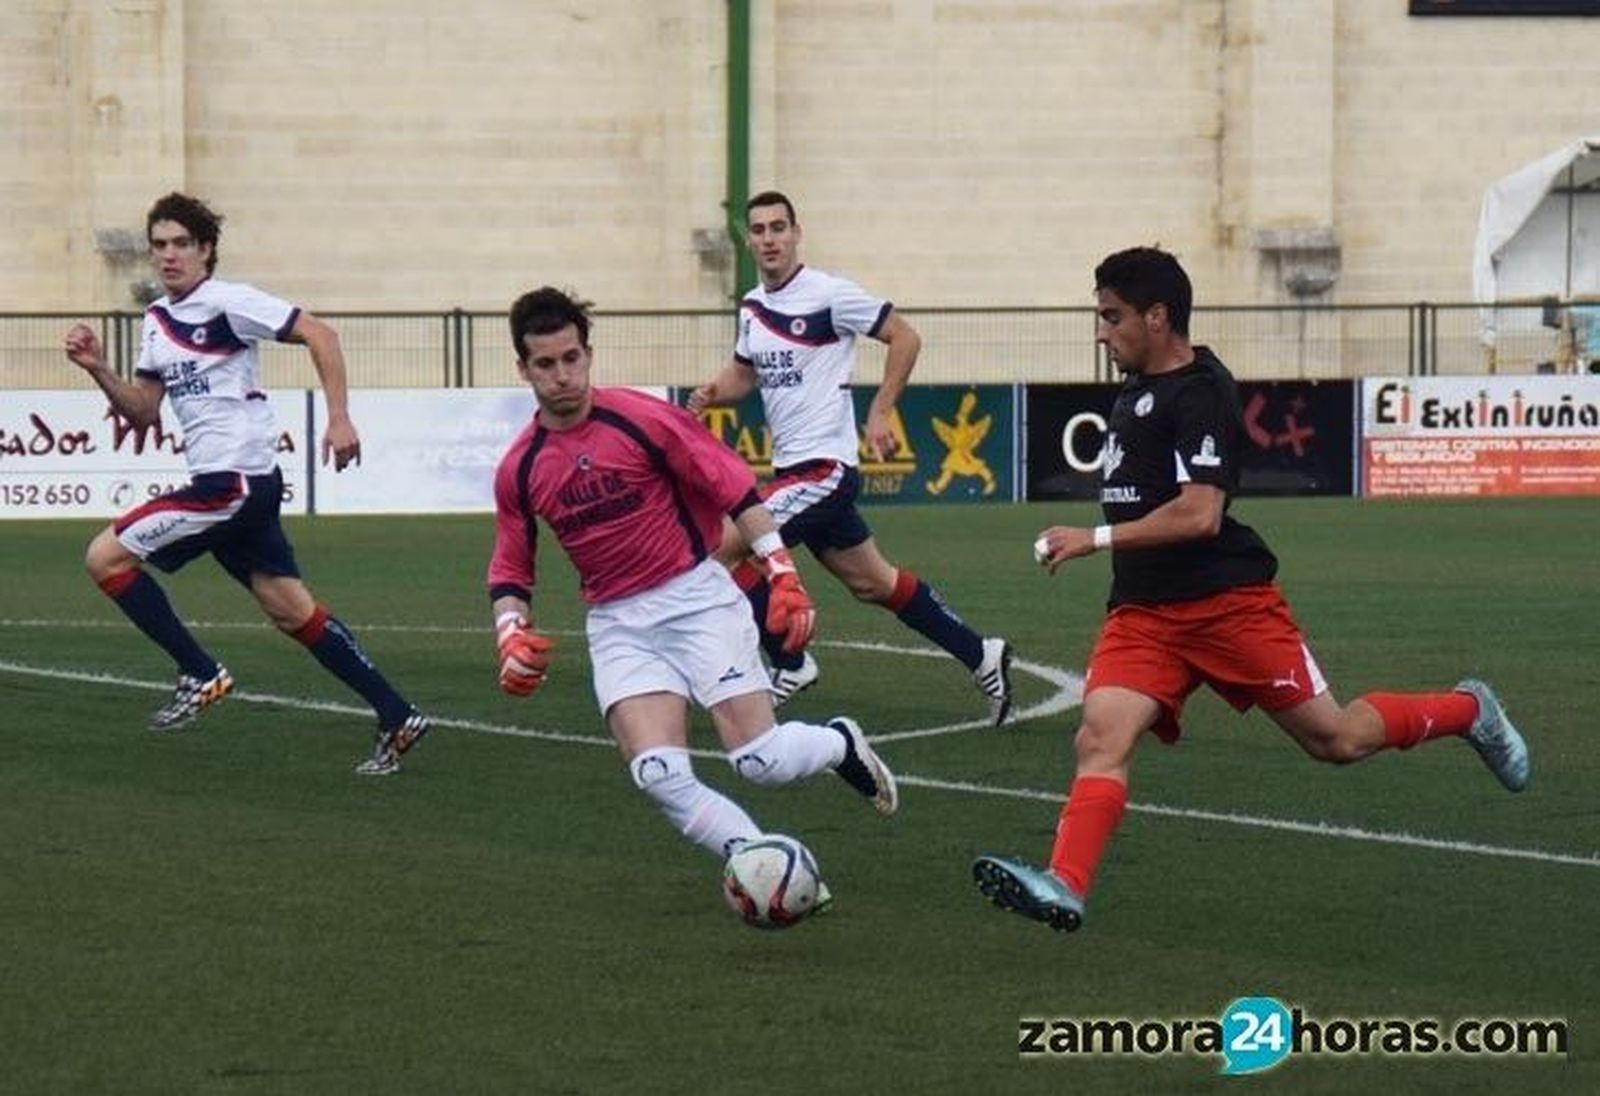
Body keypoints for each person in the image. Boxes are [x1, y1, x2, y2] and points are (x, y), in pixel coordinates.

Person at [972, 246, 1530, 933]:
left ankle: (1468, 710)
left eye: (1111, 316)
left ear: (1156, 316)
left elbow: (1200, 515)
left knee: (1337, 739)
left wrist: (1096, 537)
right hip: (1144, 614)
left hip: (1228, 607)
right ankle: (1065, 884)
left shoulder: (1202, 392)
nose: (1101, 331)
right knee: (1099, 737)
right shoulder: (1135, 388)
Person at [487, 287, 897, 896]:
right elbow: (511, 569)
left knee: (760, 760)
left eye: (571, 358)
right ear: (524, 369)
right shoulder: (520, 467)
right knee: (656, 773)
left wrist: (782, 572)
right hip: (618, 624)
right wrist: (510, 632)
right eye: (545, 365)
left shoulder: (644, 419)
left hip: (697, 599)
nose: (562, 376)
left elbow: (735, 489)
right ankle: (758, 862)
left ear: (589, 355)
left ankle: (838, 743)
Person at [62, 192, 430, 776]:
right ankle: (395, 712)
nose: (169, 255)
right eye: (160, 245)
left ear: (207, 251)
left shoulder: (226, 302)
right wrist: (99, 370)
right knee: (290, 610)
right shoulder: (157, 322)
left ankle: (200, 671)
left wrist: (338, 416)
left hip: (233, 482)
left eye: (183, 243)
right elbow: (142, 413)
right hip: (232, 487)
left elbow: (321, 335)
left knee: (105, 557)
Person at [689, 191, 1013, 722]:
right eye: (760, 230)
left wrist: (882, 410)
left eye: (778, 228)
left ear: (796, 233)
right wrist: (710, 394)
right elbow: (744, 374)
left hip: (825, 470)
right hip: (794, 471)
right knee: (874, 583)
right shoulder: (752, 306)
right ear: (749, 240)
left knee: (723, 547)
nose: (769, 239)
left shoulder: (829, 295)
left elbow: (905, 337)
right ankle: (982, 654)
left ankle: (789, 661)